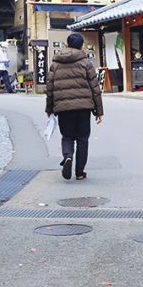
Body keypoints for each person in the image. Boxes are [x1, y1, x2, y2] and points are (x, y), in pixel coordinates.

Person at [45, 32, 103, 181]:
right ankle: (79, 172)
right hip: (84, 107)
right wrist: (99, 111)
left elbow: (49, 88)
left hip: (63, 107)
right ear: (81, 46)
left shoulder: (55, 64)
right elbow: (95, 88)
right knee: (83, 139)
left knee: (67, 136)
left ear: (66, 44)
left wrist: (49, 108)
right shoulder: (86, 63)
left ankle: (68, 156)